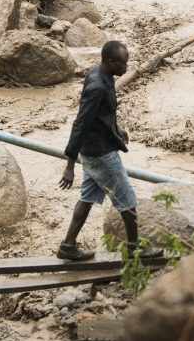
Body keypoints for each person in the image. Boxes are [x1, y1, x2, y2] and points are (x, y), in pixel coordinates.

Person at [57, 41, 162, 260]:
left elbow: (100, 114)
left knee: (87, 197)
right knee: (128, 198)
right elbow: (81, 123)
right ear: (110, 61)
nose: (126, 67)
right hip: (100, 153)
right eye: (123, 63)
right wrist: (69, 165)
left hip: (93, 149)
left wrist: (116, 127)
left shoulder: (100, 72)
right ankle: (135, 248)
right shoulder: (98, 87)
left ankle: (68, 246)